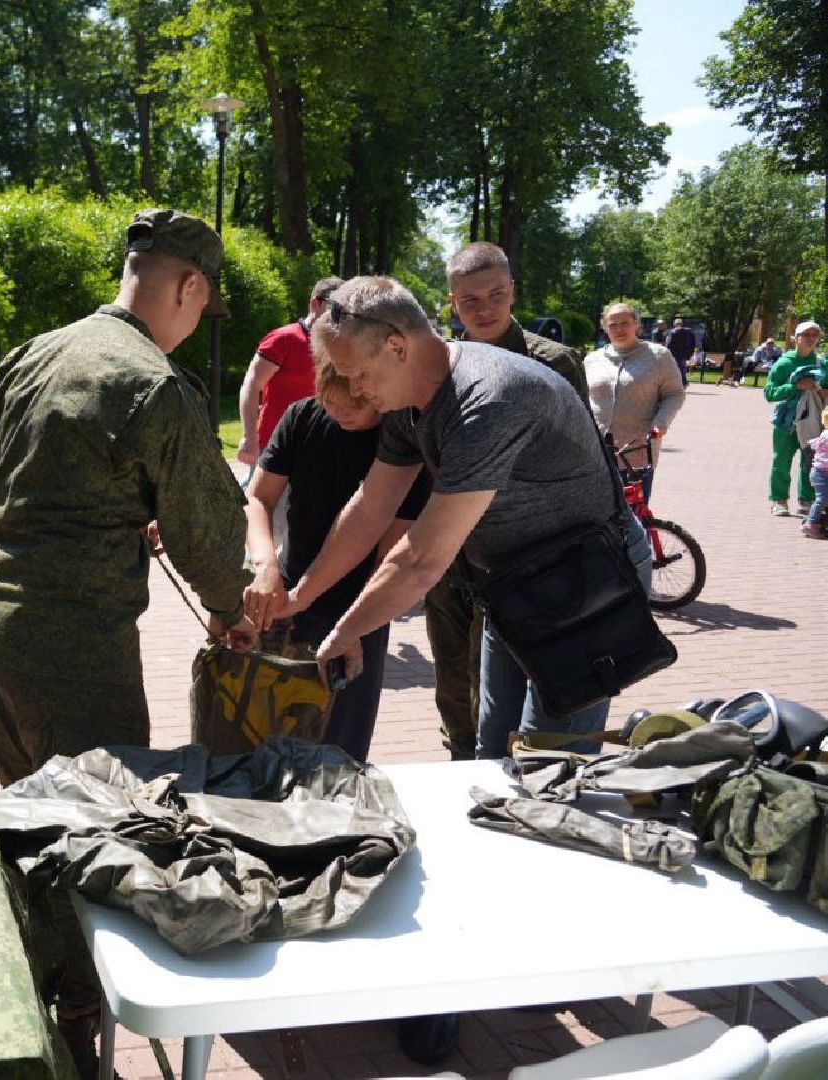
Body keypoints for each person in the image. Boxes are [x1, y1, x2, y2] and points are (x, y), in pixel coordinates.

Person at [0, 208, 253, 1079]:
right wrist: (231, 606)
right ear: (188, 285)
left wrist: (118, 513)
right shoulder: (155, 385)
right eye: (202, 305)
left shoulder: (37, 351)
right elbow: (209, 531)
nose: (198, 320)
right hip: (74, 649)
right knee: (101, 835)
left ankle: (46, 978)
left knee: (31, 815)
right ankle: (82, 1022)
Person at [282, 275, 652, 761]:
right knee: (492, 750)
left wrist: (344, 632)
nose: (352, 390)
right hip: (513, 580)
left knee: (553, 759)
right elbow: (371, 507)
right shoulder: (406, 400)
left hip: (587, 582)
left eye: (357, 375)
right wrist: (297, 599)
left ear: (396, 346)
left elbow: (420, 561)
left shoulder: (487, 401)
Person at [422, 241, 590, 761]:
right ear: (453, 304)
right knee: (453, 679)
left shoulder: (554, 363)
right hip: (453, 558)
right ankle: (461, 768)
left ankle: (521, 776)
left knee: (521, 687)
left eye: (496, 294)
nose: (485, 308)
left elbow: (579, 460)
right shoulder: (439, 365)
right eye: (469, 300)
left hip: (526, 557)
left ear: (513, 291)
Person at [243, 362, 430, 762]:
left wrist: (357, 624)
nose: (341, 413)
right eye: (331, 402)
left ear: (378, 391)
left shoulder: (404, 441)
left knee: (339, 748)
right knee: (266, 738)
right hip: (288, 596)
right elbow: (257, 498)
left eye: (355, 405)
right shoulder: (302, 416)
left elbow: (391, 553)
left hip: (361, 607)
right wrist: (265, 566)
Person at [584, 302, 687, 503]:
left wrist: (662, 421)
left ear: (636, 325)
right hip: (597, 451)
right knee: (597, 513)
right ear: (604, 327)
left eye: (625, 323)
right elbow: (583, 397)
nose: (619, 329)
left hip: (636, 449)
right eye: (613, 324)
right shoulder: (592, 360)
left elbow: (675, 394)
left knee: (634, 517)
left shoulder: (658, 357)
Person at [236, 276, 343, 466]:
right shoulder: (284, 339)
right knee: (261, 495)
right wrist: (249, 438)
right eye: (335, 309)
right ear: (315, 304)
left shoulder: (337, 346)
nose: (340, 316)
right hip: (276, 445)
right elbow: (251, 385)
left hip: (321, 448)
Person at [764, 320, 825, 516]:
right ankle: (779, 500)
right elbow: (770, 393)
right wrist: (795, 387)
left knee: (811, 461)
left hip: (813, 420)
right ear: (796, 339)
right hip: (786, 422)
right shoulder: (785, 363)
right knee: (782, 461)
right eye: (806, 335)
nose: (810, 339)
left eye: (814, 335)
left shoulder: (821, 363)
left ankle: (806, 499)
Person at [804, 406, 828, 540]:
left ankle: (817, 521)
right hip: (821, 473)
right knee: (822, 498)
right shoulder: (826, 435)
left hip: (823, 472)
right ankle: (810, 523)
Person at [664, 317, 697, 386]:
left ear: (674, 324)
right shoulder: (689, 331)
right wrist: (691, 351)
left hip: (674, 353)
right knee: (683, 367)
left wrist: (666, 350)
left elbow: (669, 344)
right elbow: (693, 342)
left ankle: (676, 382)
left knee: (674, 367)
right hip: (685, 353)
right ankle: (684, 381)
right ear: (682, 324)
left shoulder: (672, 332)